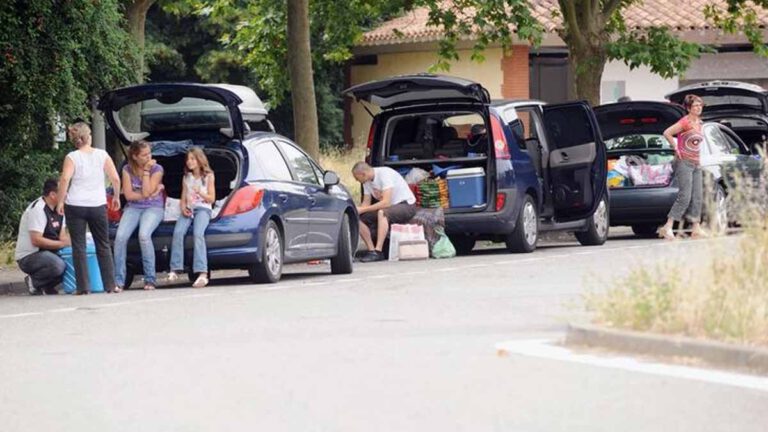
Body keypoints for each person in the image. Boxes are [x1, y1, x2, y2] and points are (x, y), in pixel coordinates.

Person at [57, 121, 121, 294]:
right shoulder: (102, 155)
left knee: (79, 245)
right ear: (88, 137)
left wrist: (61, 201)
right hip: (97, 204)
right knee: (103, 244)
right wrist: (115, 196)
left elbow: (65, 179)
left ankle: (83, 287)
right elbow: (115, 178)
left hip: (75, 204)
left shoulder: (72, 157)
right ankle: (110, 284)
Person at [113, 140, 165, 291]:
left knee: (144, 235)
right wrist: (144, 193)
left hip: (154, 207)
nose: (148, 157)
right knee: (120, 237)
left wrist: (147, 172)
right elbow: (129, 195)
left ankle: (150, 279)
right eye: (144, 155)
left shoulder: (157, 168)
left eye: (149, 153)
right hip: (133, 207)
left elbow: (148, 192)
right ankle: (119, 281)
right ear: (135, 156)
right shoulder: (127, 170)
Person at [659, 94, 707, 240]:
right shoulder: (685, 122)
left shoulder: (699, 122)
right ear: (688, 108)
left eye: (700, 105)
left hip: (696, 163)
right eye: (695, 106)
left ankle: (696, 228)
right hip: (684, 162)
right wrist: (676, 147)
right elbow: (667, 133)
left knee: (697, 196)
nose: (699, 108)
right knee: (684, 196)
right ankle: (667, 227)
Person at [168, 147, 215, 288]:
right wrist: (183, 207)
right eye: (188, 159)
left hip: (203, 209)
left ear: (200, 160)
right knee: (178, 232)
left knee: (198, 234)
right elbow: (183, 197)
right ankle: (175, 268)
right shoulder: (186, 177)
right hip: (189, 209)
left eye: (192, 159)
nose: (189, 162)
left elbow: (211, 198)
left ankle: (202, 273)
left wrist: (200, 192)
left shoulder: (208, 176)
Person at [352, 162, 417, 262]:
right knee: (357, 218)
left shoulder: (384, 174)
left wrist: (363, 209)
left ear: (363, 174)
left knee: (382, 213)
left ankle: (379, 251)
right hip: (390, 207)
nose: (357, 181)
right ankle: (371, 250)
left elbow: (386, 202)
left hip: (405, 204)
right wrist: (357, 211)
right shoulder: (366, 182)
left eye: (357, 178)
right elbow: (366, 203)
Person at [15, 179, 71, 295]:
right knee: (58, 265)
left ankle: (45, 286)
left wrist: (74, 243)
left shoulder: (60, 209)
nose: (67, 194)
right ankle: (34, 282)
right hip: (30, 256)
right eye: (64, 191)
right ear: (52, 195)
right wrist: (62, 244)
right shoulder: (38, 209)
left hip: (50, 252)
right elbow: (36, 240)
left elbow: (62, 236)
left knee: (73, 260)